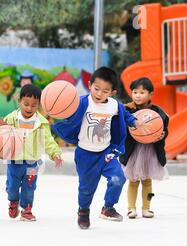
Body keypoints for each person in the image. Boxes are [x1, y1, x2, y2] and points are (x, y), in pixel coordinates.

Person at [52, 67, 145, 229]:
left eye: (105, 91)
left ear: (112, 92)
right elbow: (67, 112)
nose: (100, 93)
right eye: (96, 89)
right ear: (89, 85)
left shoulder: (115, 106)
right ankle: (83, 210)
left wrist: (135, 122)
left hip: (106, 152)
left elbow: (126, 116)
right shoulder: (83, 102)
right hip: (85, 154)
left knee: (118, 178)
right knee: (87, 188)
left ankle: (108, 207)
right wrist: (55, 110)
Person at [0, 84, 63, 222]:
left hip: (32, 162)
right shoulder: (11, 119)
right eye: (26, 104)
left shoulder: (41, 123)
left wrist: (55, 153)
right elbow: (4, 137)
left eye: (34, 105)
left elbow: (48, 140)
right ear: (20, 101)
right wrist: (3, 129)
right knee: (12, 187)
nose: (29, 108)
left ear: (38, 105)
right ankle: (13, 201)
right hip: (15, 161)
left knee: (29, 187)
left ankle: (27, 209)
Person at [119, 77, 169, 219]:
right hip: (133, 150)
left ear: (150, 94)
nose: (138, 95)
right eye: (135, 92)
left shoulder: (157, 112)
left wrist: (163, 134)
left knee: (147, 181)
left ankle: (147, 208)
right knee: (133, 181)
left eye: (142, 92)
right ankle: (131, 208)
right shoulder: (126, 110)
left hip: (150, 151)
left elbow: (164, 128)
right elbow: (119, 128)